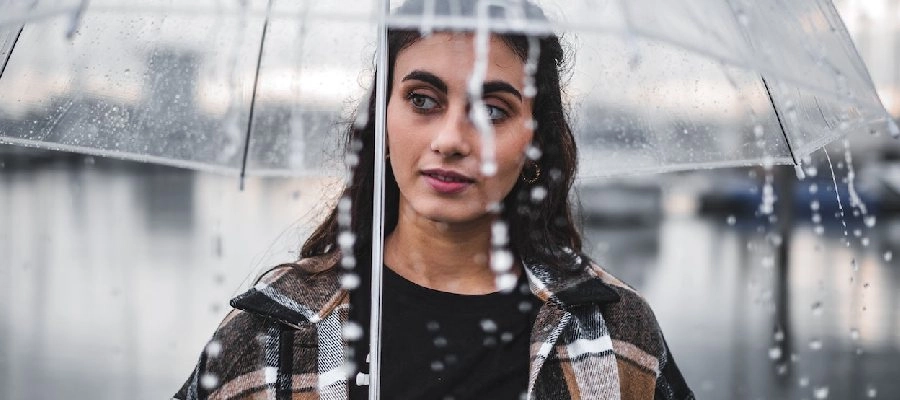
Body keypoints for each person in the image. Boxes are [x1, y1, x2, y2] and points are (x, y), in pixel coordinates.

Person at [175, 1, 693, 399]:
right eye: (422, 100)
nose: (450, 139)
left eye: (493, 110)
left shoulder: (615, 330)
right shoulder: (272, 333)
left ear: (535, 144)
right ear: (382, 120)